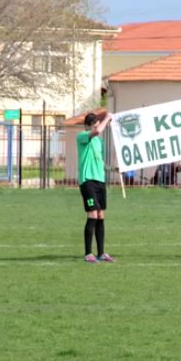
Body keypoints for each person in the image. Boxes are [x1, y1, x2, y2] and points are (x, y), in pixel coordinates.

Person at [77, 112, 114, 263]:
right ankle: (88, 254)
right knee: (92, 215)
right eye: (94, 125)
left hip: (100, 180)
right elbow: (98, 131)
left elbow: (100, 161)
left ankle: (101, 253)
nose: (96, 128)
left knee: (100, 215)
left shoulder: (98, 141)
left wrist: (113, 169)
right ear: (88, 126)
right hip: (88, 181)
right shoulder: (82, 136)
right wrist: (107, 118)